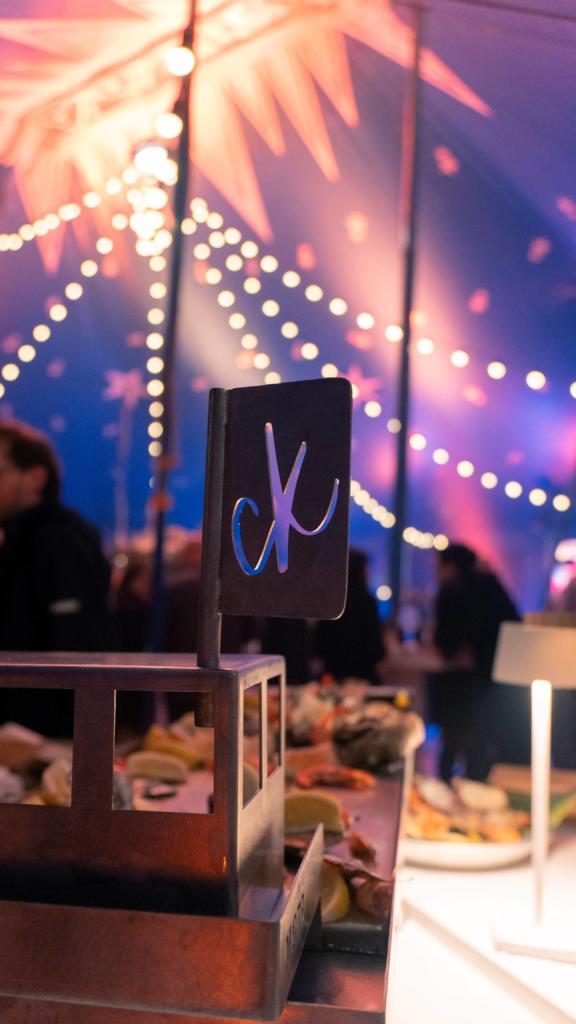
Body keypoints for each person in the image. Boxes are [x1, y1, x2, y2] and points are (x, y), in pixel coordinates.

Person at [0, 422, 113, 731]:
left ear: (36, 478)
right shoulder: (20, 539)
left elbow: (79, 645)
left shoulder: (59, 539)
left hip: (47, 735)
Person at [428, 542, 521, 781]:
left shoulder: (453, 592)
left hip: (463, 681)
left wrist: (462, 652)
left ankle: (447, 791)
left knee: (454, 741)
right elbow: (512, 623)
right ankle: (474, 791)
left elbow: (445, 640)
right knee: (478, 743)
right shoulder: (490, 588)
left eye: (440, 566)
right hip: (487, 678)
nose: (437, 572)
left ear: (451, 566)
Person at [314, 548, 385, 684]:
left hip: (333, 676)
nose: (368, 573)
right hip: (363, 677)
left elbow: (320, 643)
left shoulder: (331, 601)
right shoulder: (367, 602)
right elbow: (376, 647)